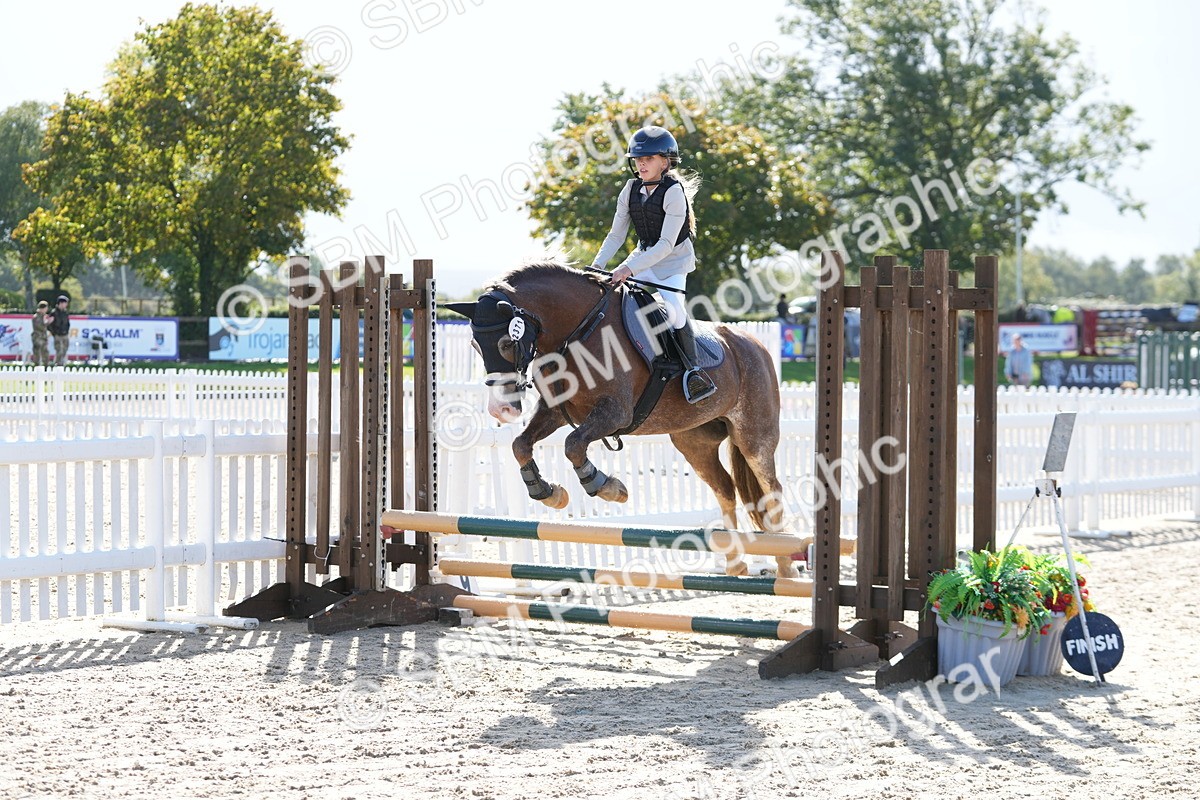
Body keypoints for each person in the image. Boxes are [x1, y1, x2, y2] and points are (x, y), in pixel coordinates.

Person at [590, 125, 715, 403]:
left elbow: (666, 245)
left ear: (665, 161)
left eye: (648, 158)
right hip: (643, 255)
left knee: (674, 314)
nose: (641, 163)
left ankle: (693, 372)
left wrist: (627, 269)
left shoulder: (674, 192)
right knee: (610, 297)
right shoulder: (630, 188)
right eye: (637, 158)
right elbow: (616, 234)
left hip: (672, 262)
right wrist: (598, 266)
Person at [47, 295, 71, 366]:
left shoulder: (65, 312)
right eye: (65, 303)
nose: (66, 305)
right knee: (59, 350)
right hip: (58, 335)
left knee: (64, 350)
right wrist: (54, 333)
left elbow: (67, 323)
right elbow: (49, 325)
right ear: (60, 303)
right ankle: (58, 364)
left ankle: (59, 363)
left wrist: (66, 331)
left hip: (65, 334)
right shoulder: (54, 313)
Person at [29, 300, 51, 366]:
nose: (46, 310)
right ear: (43, 308)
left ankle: (46, 367)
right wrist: (47, 322)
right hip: (38, 337)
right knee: (37, 354)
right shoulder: (36, 317)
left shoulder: (43, 316)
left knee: (45, 353)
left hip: (43, 337)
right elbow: (40, 327)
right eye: (46, 308)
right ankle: (37, 367)